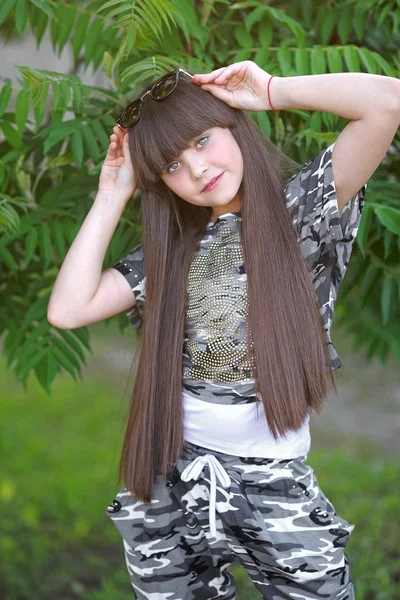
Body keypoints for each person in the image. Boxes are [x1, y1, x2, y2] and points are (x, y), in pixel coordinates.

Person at [48, 61, 397, 599]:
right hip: (170, 474)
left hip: (271, 482)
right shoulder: (168, 253)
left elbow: (386, 103)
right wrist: (113, 193)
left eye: (203, 140)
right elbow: (69, 310)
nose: (197, 168)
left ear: (233, 125)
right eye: (172, 166)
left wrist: (273, 91)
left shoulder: (299, 210)